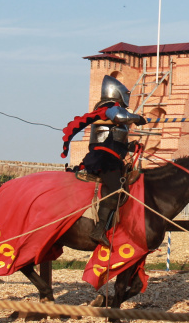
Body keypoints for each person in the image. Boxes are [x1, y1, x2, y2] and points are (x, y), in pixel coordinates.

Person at [60, 76, 147, 248]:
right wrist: (137, 118)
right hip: (103, 158)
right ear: (117, 93)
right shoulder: (107, 108)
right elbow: (120, 116)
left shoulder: (114, 115)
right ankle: (99, 229)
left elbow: (115, 141)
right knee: (116, 189)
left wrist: (131, 146)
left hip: (113, 158)